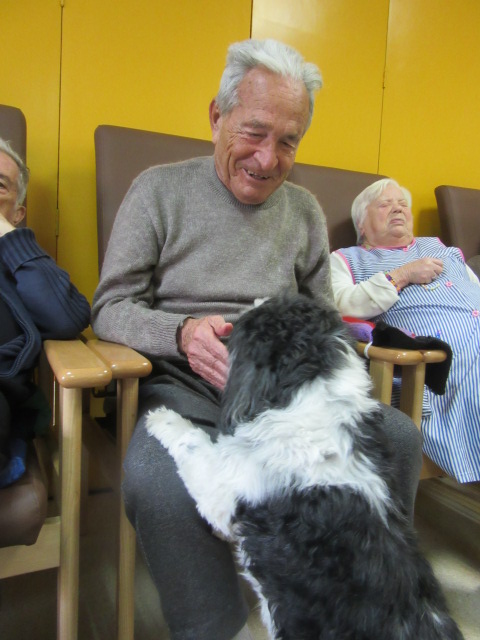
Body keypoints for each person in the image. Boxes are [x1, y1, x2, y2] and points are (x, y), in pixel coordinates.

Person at [92, 40, 422, 640]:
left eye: (288, 141)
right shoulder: (158, 190)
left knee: (396, 437)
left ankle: (354, 606)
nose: (267, 158)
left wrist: (308, 376)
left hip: (287, 396)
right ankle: (214, 628)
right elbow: (110, 307)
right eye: (253, 132)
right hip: (182, 384)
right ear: (216, 116)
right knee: (160, 482)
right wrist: (181, 333)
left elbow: (325, 318)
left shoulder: (304, 212)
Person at [331, 177, 480, 484]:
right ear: (361, 223)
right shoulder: (347, 259)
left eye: (402, 205)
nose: (398, 209)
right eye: (385, 205)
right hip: (439, 361)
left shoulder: (442, 249)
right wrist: (402, 275)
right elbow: (339, 304)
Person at [0, 138, 90, 486]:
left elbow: (69, 317)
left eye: (0, 186)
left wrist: (9, 238)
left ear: (17, 213)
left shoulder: (18, 266)